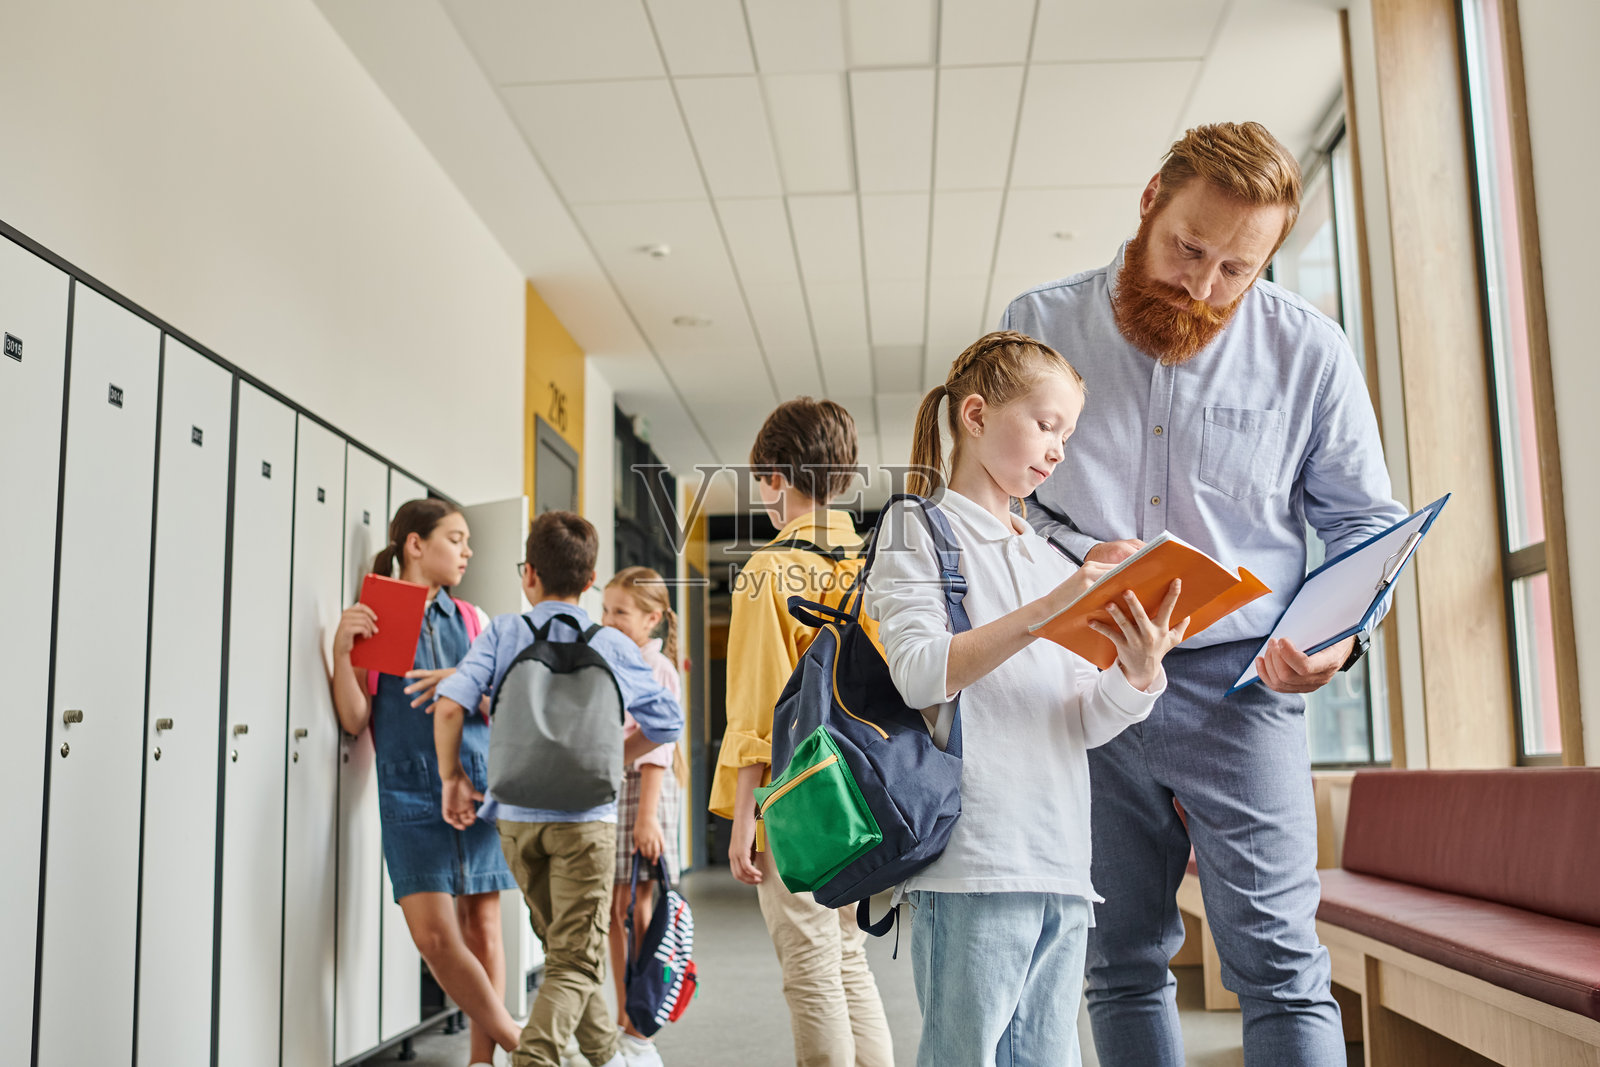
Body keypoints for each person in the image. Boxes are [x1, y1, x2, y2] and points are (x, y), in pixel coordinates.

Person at [1001, 121, 1408, 1067]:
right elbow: (1001, 498)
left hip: (1244, 686)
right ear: (1150, 201)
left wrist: (1340, 640)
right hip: (1087, 676)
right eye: (1190, 248)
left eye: (1238, 269)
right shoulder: (1039, 322)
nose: (1203, 286)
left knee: (1278, 961)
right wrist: (1071, 553)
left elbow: (1362, 529)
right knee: (1120, 958)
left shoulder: (1308, 350)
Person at [862, 330, 1186, 1067]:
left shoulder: (1049, 556)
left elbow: (1083, 720)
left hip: (1063, 858)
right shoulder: (919, 527)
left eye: (1067, 434)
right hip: (976, 857)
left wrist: (1135, 674)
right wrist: (1051, 607)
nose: (1057, 450)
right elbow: (919, 671)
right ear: (974, 416)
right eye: (1046, 424)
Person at [431, 511, 682, 1067]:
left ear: (530, 575)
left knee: (568, 951)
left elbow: (450, 707)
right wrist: (618, 755)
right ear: (590, 582)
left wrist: (453, 778)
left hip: (516, 819)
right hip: (585, 822)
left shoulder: (501, 631)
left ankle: (604, 1057)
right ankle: (535, 1060)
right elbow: (667, 722)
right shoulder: (611, 644)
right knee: (573, 959)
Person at [709, 398, 894, 1067]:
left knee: (810, 969)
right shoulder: (874, 563)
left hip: (801, 797)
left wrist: (742, 816)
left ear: (777, 477)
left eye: (761, 477)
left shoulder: (770, 570)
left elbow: (760, 712)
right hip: (873, 790)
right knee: (847, 957)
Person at [329, 498, 522, 1067]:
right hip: (408, 790)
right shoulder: (378, 614)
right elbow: (356, 718)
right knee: (434, 938)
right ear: (415, 544)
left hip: (476, 781)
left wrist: (465, 684)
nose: (467, 551)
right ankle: (524, 1045)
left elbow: (504, 703)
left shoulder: (474, 620)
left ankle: (483, 1061)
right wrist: (341, 651)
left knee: (483, 924)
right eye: (456, 539)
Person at [600, 566, 687, 1067]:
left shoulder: (658, 668)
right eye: (605, 610)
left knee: (637, 909)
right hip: (618, 789)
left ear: (652, 618)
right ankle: (625, 1021)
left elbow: (655, 750)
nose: (609, 620)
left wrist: (646, 818)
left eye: (620, 612)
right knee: (617, 911)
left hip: (644, 793)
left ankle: (639, 1028)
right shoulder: (615, 660)